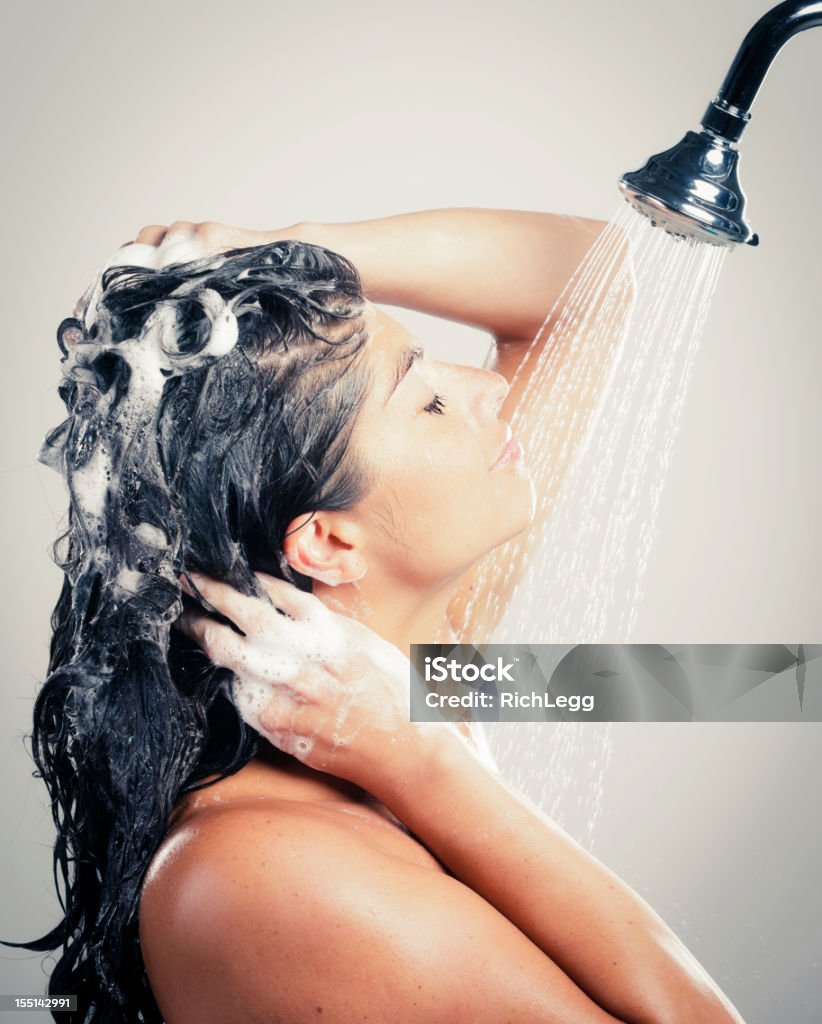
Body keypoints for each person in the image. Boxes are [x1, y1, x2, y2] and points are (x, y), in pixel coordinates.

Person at [9, 210, 745, 1024]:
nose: (492, 385)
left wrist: (275, 258)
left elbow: (589, 284)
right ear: (327, 541)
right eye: (427, 399)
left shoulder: (418, 663)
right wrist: (421, 764)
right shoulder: (267, 872)